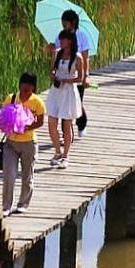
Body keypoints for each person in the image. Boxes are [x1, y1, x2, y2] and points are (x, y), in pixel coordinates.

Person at [0, 73, 44, 216]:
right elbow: (2, 116)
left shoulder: (37, 102)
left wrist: (26, 127)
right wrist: (9, 125)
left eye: (28, 90)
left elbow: (40, 121)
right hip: (11, 143)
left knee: (27, 176)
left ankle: (23, 203)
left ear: (33, 89)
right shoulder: (11, 98)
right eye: (23, 89)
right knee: (9, 175)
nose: (25, 92)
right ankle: (6, 206)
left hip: (29, 143)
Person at [44, 26, 86, 166]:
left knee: (67, 125)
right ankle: (57, 151)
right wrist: (54, 76)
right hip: (56, 91)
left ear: (70, 41)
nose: (61, 42)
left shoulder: (78, 57)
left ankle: (66, 155)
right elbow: (52, 70)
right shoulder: (57, 53)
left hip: (69, 91)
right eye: (60, 39)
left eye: (63, 39)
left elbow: (80, 78)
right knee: (51, 122)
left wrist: (68, 80)